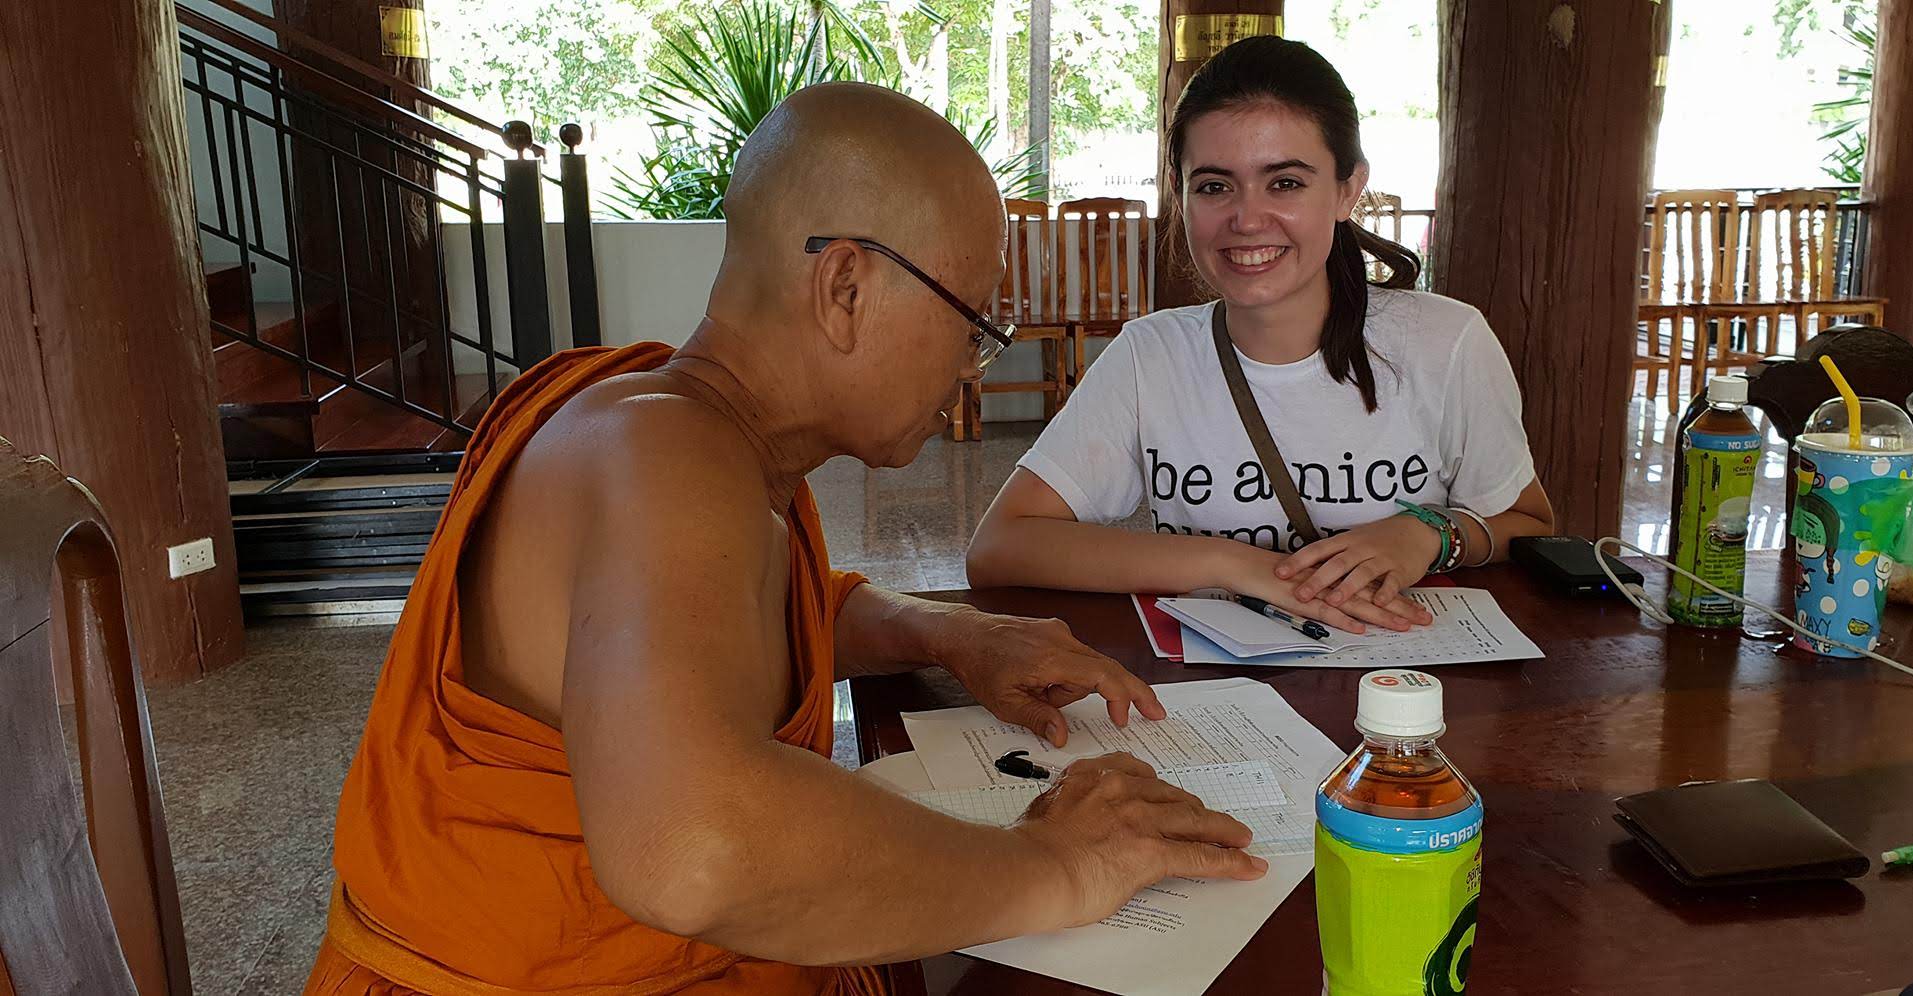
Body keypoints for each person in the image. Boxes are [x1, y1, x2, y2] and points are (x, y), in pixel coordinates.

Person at [304, 83, 1267, 996]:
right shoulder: (666, 452)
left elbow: (732, 627)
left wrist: (949, 634)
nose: (973, 369)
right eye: (973, 325)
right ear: (845, 286)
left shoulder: (686, 432)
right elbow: (694, 849)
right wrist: (1053, 866)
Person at [967, 37, 1555, 634]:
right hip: (1219, 705)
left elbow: (1528, 522)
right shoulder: (1150, 357)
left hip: (1407, 691)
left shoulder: (1446, 341)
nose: (1246, 220)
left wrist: (1426, 532)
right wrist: (1232, 563)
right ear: (1181, 193)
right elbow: (998, 549)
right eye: (1215, 186)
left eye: (1286, 183)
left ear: (1348, 190)